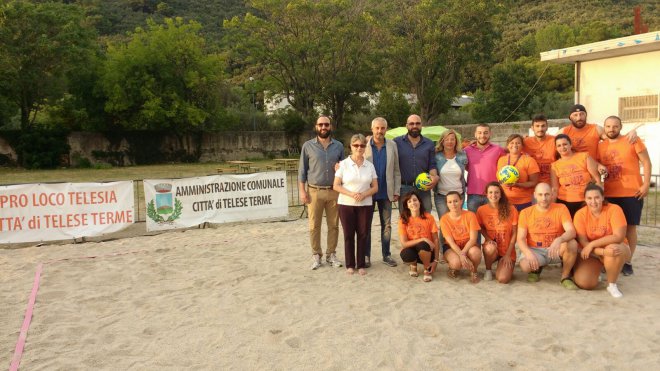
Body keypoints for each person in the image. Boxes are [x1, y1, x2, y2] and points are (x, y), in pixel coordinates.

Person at [598, 115, 651, 276]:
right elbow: (595, 163)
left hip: (631, 192)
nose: (611, 129)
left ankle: (627, 262)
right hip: (609, 194)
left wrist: (646, 184)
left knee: (629, 228)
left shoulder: (632, 140)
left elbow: (647, 162)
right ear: (604, 128)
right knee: (610, 231)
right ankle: (609, 260)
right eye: (608, 126)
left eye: (615, 126)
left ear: (620, 127)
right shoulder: (600, 146)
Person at [298, 115, 345, 270]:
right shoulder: (307, 146)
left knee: (334, 225)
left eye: (326, 124)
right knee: (314, 226)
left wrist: (340, 169)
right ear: (316, 126)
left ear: (330, 126)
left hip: (333, 192)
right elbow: (302, 171)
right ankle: (316, 255)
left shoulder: (338, 146)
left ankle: (331, 254)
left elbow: (345, 169)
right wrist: (302, 191)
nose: (323, 127)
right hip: (314, 192)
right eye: (320, 125)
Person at [572, 183, 631, 298]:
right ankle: (600, 269)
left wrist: (593, 244)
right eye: (589, 198)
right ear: (585, 199)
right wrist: (602, 252)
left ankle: (611, 284)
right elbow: (583, 242)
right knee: (585, 283)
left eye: (597, 197)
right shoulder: (580, 214)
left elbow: (618, 237)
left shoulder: (614, 209)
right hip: (594, 252)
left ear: (603, 197)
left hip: (615, 248)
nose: (593, 201)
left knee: (613, 249)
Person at [517, 183, 579, 289]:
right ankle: (536, 269)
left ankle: (565, 277)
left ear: (552, 194)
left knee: (572, 244)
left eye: (547, 194)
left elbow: (571, 231)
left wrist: (559, 239)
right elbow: (521, 238)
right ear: (535, 195)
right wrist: (528, 253)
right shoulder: (525, 212)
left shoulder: (561, 208)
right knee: (525, 266)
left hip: (554, 250)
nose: (544, 198)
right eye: (540, 195)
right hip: (536, 250)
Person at [334, 134, 378, 276]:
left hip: (365, 204)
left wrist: (364, 194)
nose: (359, 148)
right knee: (348, 235)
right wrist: (352, 194)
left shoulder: (370, 165)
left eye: (362, 145)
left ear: (365, 147)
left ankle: (361, 264)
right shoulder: (343, 164)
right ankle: (350, 264)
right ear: (351, 147)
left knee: (363, 234)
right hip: (346, 204)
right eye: (356, 145)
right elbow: (336, 185)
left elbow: (375, 187)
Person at [364, 117, 401, 268]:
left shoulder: (392, 145)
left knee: (386, 225)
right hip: (368, 192)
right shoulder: (364, 145)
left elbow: (397, 170)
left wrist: (397, 190)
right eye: (377, 128)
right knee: (365, 225)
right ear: (372, 129)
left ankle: (386, 255)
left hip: (386, 192)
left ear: (386, 129)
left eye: (383, 128)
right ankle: (366, 256)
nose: (380, 131)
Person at [393, 114, 439, 212]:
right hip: (404, 187)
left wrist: (434, 178)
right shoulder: (396, 142)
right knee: (406, 219)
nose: (414, 126)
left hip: (423, 187)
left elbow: (432, 165)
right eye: (411, 124)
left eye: (417, 123)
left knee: (426, 216)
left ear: (421, 125)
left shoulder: (429, 143)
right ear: (406, 126)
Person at [561, 104, 638, 160]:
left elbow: (615, 138)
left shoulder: (595, 128)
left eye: (582, 114)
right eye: (575, 115)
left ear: (586, 115)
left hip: (593, 173)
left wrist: (632, 132)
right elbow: (550, 143)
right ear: (570, 117)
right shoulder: (564, 131)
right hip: (572, 172)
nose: (579, 118)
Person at [476, 182, 518, 283]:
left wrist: (508, 254)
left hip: (507, 250)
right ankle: (488, 269)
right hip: (493, 247)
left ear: (501, 194)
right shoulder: (481, 210)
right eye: (490, 192)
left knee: (502, 279)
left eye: (496, 192)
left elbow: (515, 233)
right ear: (486, 194)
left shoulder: (511, 209)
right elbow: (480, 227)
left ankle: (505, 267)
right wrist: (488, 239)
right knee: (489, 247)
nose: (493, 195)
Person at [550, 134, 601, 217]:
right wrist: (551, 206)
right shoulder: (554, 165)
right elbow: (555, 188)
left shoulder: (584, 156)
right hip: (565, 202)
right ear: (556, 148)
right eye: (559, 145)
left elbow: (597, 179)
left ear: (570, 145)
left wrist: (598, 198)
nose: (562, 147)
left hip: (585, 200)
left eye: (565, 144)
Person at [464, 123, 505, 218]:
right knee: (474, 225)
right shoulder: (466, 150)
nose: (482, 136)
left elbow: (510, 155)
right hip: (473, 194)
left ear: (490, 134)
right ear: (475, 134)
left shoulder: (498, 150)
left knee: (494, 224)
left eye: (485, 133)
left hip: (493, 194)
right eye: (480, 133)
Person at [440, 191, 482, 283]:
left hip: (468, 244)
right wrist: (463, 256)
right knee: (456, 263)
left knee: (475, 253)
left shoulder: (470, 215)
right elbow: (450, 242)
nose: (453, 204)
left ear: (461, 201)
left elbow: (473, 239)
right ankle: (453, 268)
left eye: (455, 201)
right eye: (450, 202)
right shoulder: (444, 219)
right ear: (447, 204)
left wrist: (463, 254)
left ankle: (473, 270)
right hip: (452, 246)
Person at [398, 191, 439, 282]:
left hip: (427, 251)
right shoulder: (403, 220)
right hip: (413, 250)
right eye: (409, 202)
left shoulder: (429, 217)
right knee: (406, 253)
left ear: (420, 202)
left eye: (415, 200)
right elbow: (404, 243)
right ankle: (413, 265)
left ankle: (426, 269)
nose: (413, 203)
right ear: (407, 206)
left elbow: (436, 239)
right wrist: (423, 238)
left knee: (423, 244)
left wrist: (436, 260)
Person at [433, 129, 468, 223]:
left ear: (456, 141)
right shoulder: (436, 156)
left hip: (459, 196)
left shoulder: (462, 155)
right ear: (442, 141)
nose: (449, 142)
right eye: (446, 139)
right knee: (445, 224)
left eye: (452, 139)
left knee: (458, 223)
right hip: (442, 196)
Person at [497, 134, 539, 210]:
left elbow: (534, 182)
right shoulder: (501, 160)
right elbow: (499, 178)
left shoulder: (529, 160)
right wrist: (503, 182)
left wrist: (517, 184)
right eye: (512, 143)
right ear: (507, 145)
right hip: (505, 200)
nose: (515, 145)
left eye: (518, 143)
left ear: (522, 146)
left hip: (523, 201)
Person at [523, 114, 555, 185]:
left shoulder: (554, 141)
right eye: (537, 126)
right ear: (532, 128)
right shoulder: (525, 142)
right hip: (532, 185)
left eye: (543, 126)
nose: (540, 129)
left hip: (550, 183)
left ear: (547, 127)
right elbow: (510, 149)